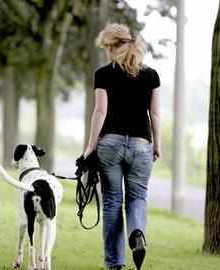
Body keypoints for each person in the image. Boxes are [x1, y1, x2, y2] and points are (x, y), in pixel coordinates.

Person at [82, 23, 161, 270]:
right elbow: (155, 114)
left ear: (111, 46)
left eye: (105, 47)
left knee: (112, 202)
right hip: (141, 144)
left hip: (110, 144)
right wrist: (156, 145)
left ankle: (115, 264)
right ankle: (137, 231)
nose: (105, 52)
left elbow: (100, 111)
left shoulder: (103, 74)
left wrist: (90, 146)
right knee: (138, 197)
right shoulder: (151, 75)